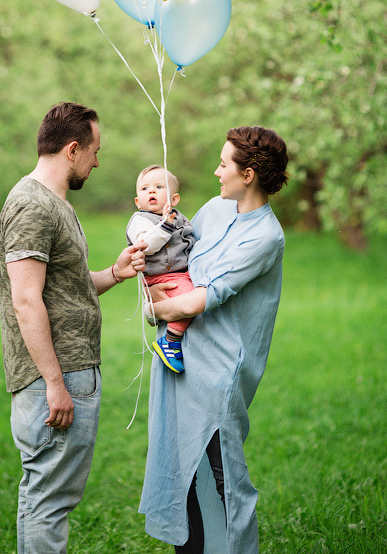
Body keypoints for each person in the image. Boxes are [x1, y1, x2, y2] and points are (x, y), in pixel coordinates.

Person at [0, 102, 147, 553]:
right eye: (95, 151)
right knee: (50, 501)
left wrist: (115, 273)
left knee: (40, 496)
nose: (98, 162)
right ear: (73, 149)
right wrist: (55, 383)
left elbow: (67, 291)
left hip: (63, 373)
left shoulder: (52, 202)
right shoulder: (32, 205)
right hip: (55, 377)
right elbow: (26, 301)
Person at [139, 126, 289, 553]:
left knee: (223, 478)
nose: (216, 170)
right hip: (178, 360)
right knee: (181, 471)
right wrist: (152, 287)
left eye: (225, 163)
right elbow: (172, 265)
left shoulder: (265, 236)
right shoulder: (213, 210)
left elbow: (201, 300)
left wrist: (153, 309)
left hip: (218, 372)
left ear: (249, 175)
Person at [126, 165, 196, 373]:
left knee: (197, 296)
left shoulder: (179, 218)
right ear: (138, 202)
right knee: (189, 300)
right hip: (158, 277)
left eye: (159, 186)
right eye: (145, 188)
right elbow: (147, 244)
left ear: (174, 200)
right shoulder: (139, 221)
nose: (152, 191)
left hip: (181, 272)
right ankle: (171, 340)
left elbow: (189, 238)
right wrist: (165, 225)